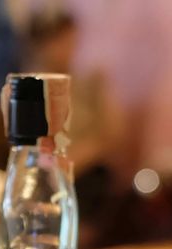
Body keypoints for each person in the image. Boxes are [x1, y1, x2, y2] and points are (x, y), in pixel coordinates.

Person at [20, 12, 114, 178]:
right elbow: (23, 145)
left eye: (71, 42)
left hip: (85, 171)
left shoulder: (89, 83)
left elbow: (110, 134)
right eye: (60, 42)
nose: (68, 49)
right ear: (41, 45)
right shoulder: (26, 86)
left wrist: (74, 158)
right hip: (39, 170)